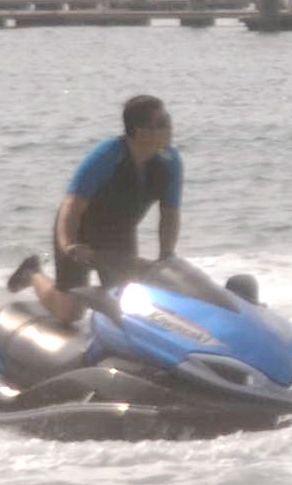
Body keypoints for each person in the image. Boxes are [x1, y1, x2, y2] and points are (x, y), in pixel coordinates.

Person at [26, 94, 184, 321]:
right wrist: (69, 244)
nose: (170, 127)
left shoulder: (170, 161)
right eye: (162, 124)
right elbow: (72, 205)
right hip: (79, 231)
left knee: (127, 304)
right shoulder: (109, 154)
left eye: (168, 120)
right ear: (141, 132)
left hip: (119, 235)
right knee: (69, 314)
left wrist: (166, 256)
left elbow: (170, 214)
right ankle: (32, 272)